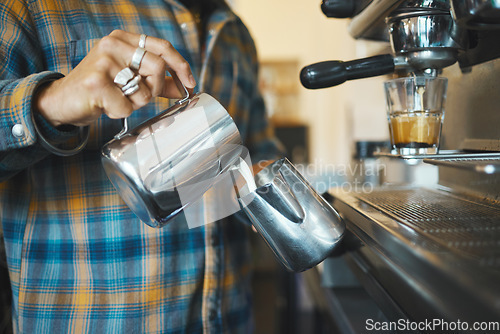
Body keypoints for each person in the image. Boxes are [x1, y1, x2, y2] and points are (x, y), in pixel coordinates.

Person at [0, 0, 283, 332]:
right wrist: (52, 102)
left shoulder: (234, 31)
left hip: (231, 318)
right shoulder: (33, 7)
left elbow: (257, 151)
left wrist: (267, 184)